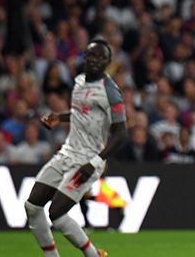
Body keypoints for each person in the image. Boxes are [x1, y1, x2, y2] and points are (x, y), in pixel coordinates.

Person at [24, 40, 127, 257]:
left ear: (108, 63)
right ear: (85, 57)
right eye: (92, 56)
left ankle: (93, 254)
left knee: (57, 213)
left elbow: (121, 133)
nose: (96, 61)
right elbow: (83, 114)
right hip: (67, 152)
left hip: (88, 160)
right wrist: (59, 118)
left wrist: (96, 162)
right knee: (32, 207)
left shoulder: (110, 92)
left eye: (102, 58)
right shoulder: (79, 81)